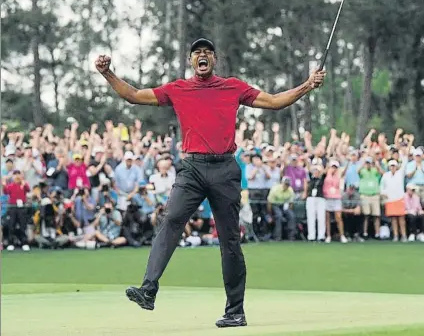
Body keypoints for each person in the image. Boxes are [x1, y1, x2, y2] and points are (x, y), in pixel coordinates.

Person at [95, 37, 326, 328]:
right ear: (191, 61)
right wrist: (107, 73)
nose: (202, 56)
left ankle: (235, 312)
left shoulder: (233, 86)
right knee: (171, 220)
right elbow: (134, 95)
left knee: (230, 239)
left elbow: (274, 102)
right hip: (192, 168)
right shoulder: (178, 89)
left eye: (207, 53)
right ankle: (148, 289)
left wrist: (307, 85)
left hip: (225, 169)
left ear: (214, 60)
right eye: (197, 53)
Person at [380, 160, 407, 242]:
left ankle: (404, 235)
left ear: (396, 166)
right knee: (393, 219)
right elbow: (382, 187)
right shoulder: (385, 175)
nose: (393, 167)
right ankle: (396, 235)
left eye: (394, 166)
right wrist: (384, 193)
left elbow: (404, 162)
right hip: (390, 199)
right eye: (391, 166)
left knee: (401, 219)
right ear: (389, 167)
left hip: (399, 199)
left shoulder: (400, 173)